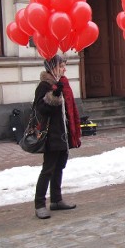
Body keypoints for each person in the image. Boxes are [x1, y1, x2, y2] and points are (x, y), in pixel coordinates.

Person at [33, 54, 82, 219]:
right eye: (61, 66)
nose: (64, 69)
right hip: (51, 135)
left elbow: (70, 109)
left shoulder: (63, 83)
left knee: (59, 167)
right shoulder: (44, 85)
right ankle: (39, 204)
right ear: (53, 67)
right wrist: (54, 95)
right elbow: (40, 109)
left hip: (63, 133)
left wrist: (73, 130)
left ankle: (56, 200)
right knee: (48, 169)